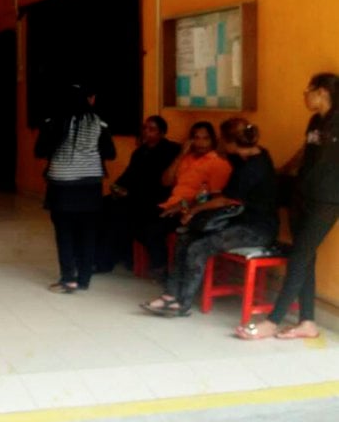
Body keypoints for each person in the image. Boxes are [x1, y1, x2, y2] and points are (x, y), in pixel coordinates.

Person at [235, 73, 339, 340]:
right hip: (303, 194)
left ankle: (273, 321)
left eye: (308, 90)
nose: (304, 96)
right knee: (306, 257)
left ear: (322, 92)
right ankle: (307, 322)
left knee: (298, 257)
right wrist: (284, 169)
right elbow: (306, 151)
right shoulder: (316, 121)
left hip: (327, 200)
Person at [142, 118, 279, 318]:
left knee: (199, 247)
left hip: (256, 230)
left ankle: (183, 303)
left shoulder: (253, 168)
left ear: (231, 142)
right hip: (238, 221)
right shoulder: (248, 156)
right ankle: (170, 295)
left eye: (222, 139)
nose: (219, 143)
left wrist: (193, 210)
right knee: (184, 237)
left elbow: (224, 200)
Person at [34, 83, 115, 293]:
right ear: (88, 99)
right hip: (90, 186)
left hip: (62, 186)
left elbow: (40, 150)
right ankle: (84, 279)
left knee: (64, 233)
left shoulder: (53, 121)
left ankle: (68, 279)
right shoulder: (99, 122)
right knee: (88, 233)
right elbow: (110, 153)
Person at [100, 115, 181, 272]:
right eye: (145, 128)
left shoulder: (171, 150)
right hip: (134, 196)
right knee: (104, 205)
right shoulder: (140, 152)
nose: (146, 132)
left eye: (152, 129)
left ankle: (117, 257)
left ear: (162, 133)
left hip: (156, 198)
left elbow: (163, 183)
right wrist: (117, 187)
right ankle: (105, 257)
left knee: (123, 214)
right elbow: (127, 176)